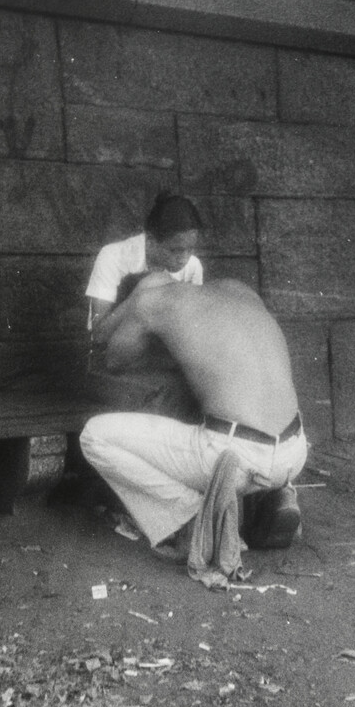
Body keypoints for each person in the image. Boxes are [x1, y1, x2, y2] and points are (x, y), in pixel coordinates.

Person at [79, 276, 308, 555]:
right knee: (234, 404)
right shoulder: (239, 289)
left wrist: (132, 316)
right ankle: (279, 495)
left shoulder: (151, 300)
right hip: (294, 453)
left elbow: (114, 361)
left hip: (236, 458)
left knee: (94, 436)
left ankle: (195, 516)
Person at [85, 191, 203, 338]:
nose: (184, 258)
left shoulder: (193, 266)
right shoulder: (112, 257)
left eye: (190, 249)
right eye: (175, 250)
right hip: (115, 349)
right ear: (150, 240)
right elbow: (98, 334)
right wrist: (143, 293)